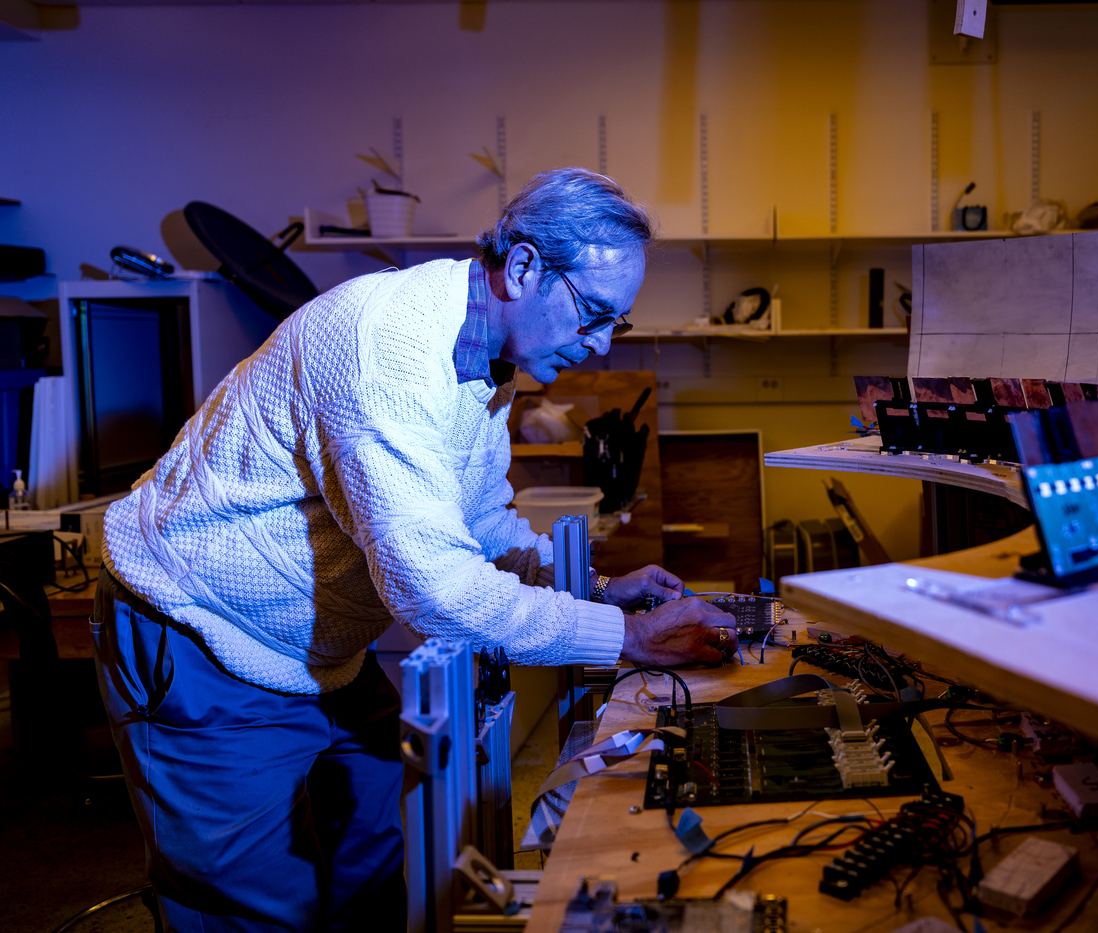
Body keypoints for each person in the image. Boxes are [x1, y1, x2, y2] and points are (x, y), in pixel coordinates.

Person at [91, 168, 735, 932]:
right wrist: (624, 638)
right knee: (252, 910)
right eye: (594, 313)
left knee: (380, 861)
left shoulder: (483, 358)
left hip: (319, 653)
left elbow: (481, 522)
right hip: (201, 629)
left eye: (614, 324)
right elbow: (437, 594)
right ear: (523, 266)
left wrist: (595, 590)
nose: (599, 344)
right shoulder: (388, 354)